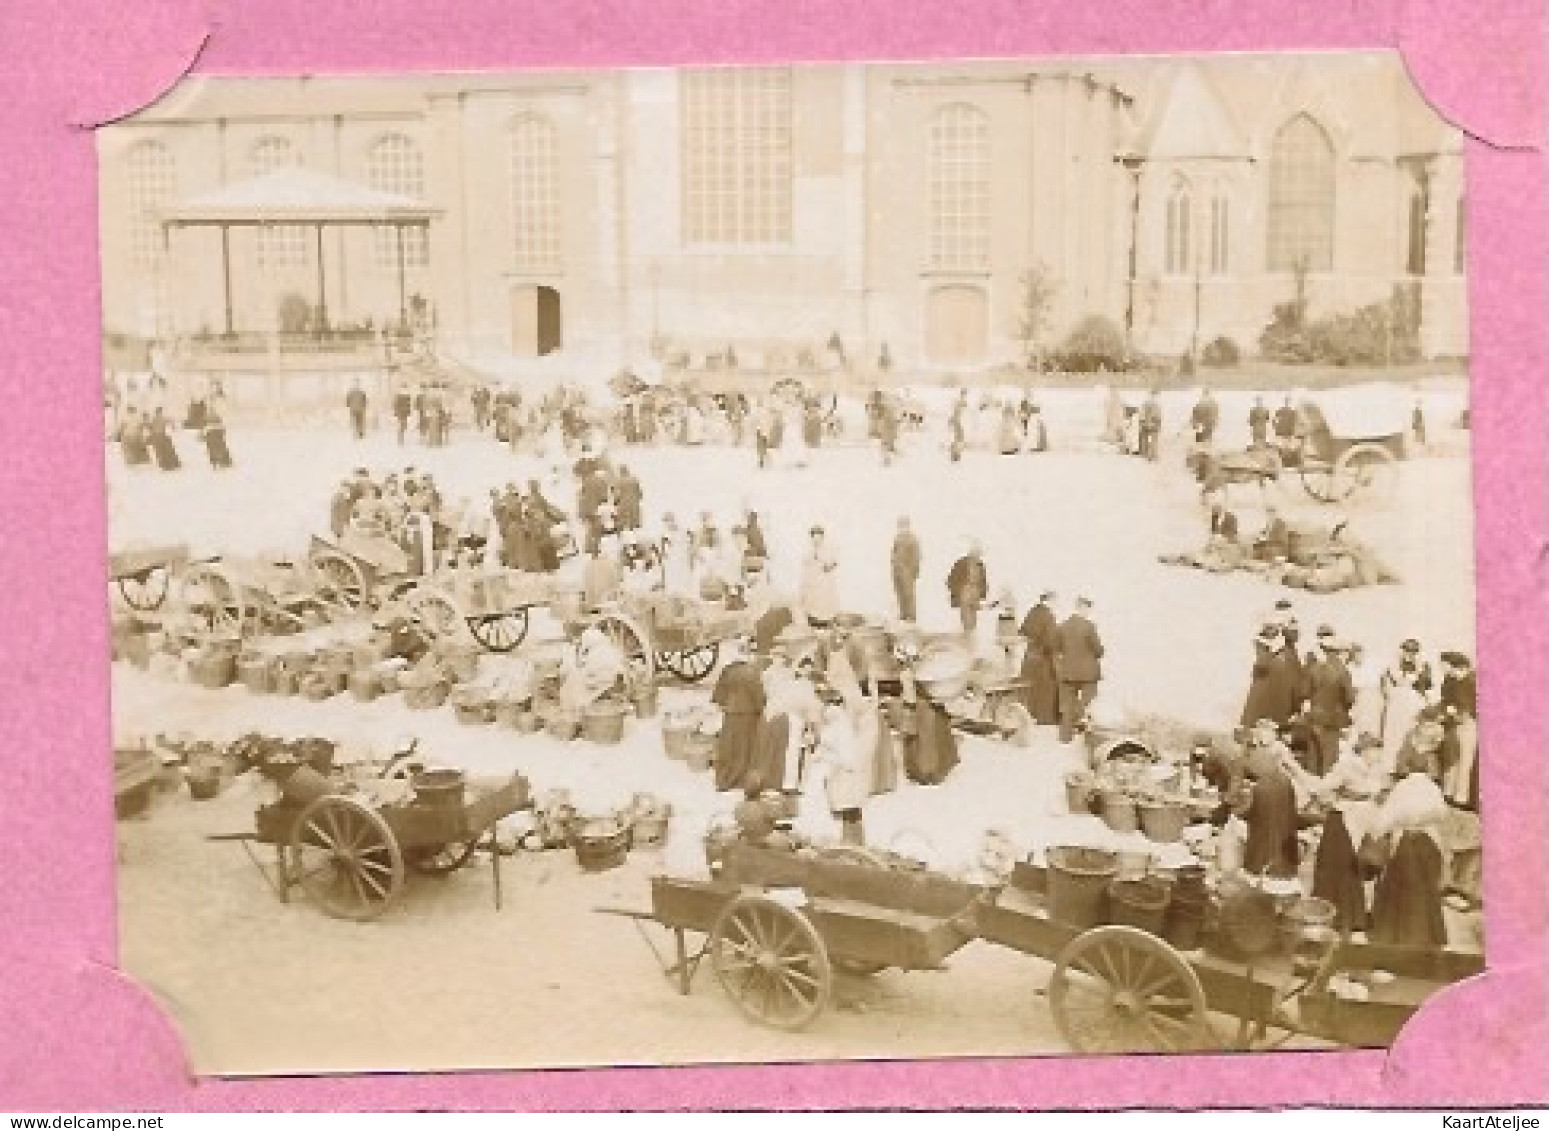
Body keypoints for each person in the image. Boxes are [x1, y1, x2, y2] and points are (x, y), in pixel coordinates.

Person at [1236, 724, 1300, 879]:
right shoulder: (1285, 780)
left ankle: (1258, 868)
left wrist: (1238, 809)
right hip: (1281, 788)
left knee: (1261, 835)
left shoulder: (1268, 754)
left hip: (1267, 790)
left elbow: (1246, 811)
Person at [710, 636, 766, 793]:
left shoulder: (728, 670)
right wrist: (762, 707)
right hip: (749, 714)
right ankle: (741, 780)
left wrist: (723, 704)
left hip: (730, 713)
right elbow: (758, 696)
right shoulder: (753, 672)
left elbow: (719, 694)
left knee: (729, 747)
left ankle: (724, 780)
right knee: (745, 748)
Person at [1302, 636, 1356, 775]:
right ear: (1340, 652)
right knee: (1329, 760)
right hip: (1332, 720)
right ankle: (1325, 786)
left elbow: (1304, 693)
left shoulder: (1314, 668)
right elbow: (1350, 698)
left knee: (1313, 758)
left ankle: (1311, 784)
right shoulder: (1342, 671)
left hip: (1314, 717)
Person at [817, 703, 870, 845]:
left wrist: (826, 757)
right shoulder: (837, 727)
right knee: (847, 809)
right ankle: (851, 839)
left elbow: (847, 758)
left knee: (849, 809)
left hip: (844, 775)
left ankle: (853, 840)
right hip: (838, 775)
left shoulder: (840, 729)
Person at [1054, 596, 1104, 743]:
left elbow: (1057, 650)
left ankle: (1065, 737)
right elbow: (1098, 651)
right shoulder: (1089, 626)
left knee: (1067, 705)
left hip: (1067, 672)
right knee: (1089, 701)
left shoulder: (1062, 626)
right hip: (1088, 673)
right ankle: (1085, 732)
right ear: (1082, 607)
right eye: (1088, 609)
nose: (1089, 612)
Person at [1437, 651, 1478, 810]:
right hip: (1457, 723)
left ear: (1463, 668)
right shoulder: (1457, 682)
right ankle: (1450, 794)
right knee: (1455, 760)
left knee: (1465, 761)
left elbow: (1467, 710)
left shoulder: (1470, 683)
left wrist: (1454, 712)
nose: (1453, 673)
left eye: (1455, 669)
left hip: (1468, 723)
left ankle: (1460, 797)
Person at [1380, 639, 1432, 764]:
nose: (1409, 654)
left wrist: (1418, 675)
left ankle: (1410, 762)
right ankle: (1391, 763)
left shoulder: (1424, 667)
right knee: (1394, 733)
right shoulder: (1393, 667)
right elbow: (1385, 686)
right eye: (1406, 651)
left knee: (1411, 731)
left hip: (1414, 703)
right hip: (1397, 704)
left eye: (1413, 651)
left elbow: (1426, 686)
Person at [559, 626, 626, 713]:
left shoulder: (587, 642)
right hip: (608, 676)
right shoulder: (601, 642)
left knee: (577, 686)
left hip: (598, 679)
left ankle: (579, 708)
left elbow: (570, 669)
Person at [1018, 590, 1059, 726]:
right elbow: (1050, 641)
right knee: (1047, 688)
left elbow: (1023, 631)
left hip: (1029, 658)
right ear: (1050, 600)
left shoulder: (1033, 611)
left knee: (1029, 689)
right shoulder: (1048, 615)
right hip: (1042, 659)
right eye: (1055, 601)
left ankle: (1029, 716)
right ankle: (1044, 719)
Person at [799, 527, 841, 628]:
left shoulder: (828, 550)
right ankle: (814, 622)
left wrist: (828, 566)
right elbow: (806, 565)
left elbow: (834, 562)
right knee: (811, 601)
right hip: (812, 580)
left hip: (823, 580)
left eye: (819, 538)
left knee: (823, 600)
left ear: (822, 538)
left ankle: (825, 622)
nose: (816, 541)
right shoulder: (809, 551)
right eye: (814, 538)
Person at [946, 540, 989, 635]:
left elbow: (983, 580)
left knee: (973, 613)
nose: (973, 592)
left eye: (977, 585)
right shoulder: (962, 563)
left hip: (975, 589)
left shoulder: (980, 565)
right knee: (966, 612)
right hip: (965, 589)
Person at [891, 517, 921, 623]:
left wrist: (915, 571)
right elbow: (894, 553)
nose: (902, 528)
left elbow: (917, 556)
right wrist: (893, 566)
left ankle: (911, 617)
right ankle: (903, 614)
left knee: (909, 594)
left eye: (904, 525)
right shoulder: (897, 539)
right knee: (899, 592)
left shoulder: (912, 539)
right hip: (897, 570)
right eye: (900, 525)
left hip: (907, 570)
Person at [615, 465, 643, 531]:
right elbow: (640, 492)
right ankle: (633, 530)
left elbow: (617, 494)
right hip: (634, 503)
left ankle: (623, 532)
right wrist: (638, 498)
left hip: (624, 503)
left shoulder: (619, 481)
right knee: (634, 521)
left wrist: (615, 501)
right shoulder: (634, 479)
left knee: (623, 521)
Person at [1137, 390, 1162, 461]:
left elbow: (1142, 413)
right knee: (1153, 440)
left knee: (1145, 439)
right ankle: (1152, 454)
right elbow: (1158, 415)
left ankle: (1146, 453)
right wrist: (1158, 424)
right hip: (1153, 423)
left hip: (1146, 423)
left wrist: (1141, 422)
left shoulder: (1145, 403)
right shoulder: (1157, 404)